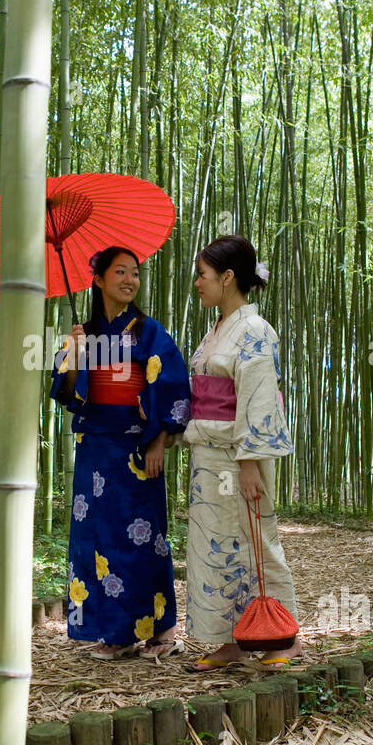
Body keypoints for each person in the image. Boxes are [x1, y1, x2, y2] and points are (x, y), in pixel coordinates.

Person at [51, 246, 191, 660]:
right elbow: (66, 391)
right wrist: (75, 354)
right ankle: (116, 632)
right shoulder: (84, 332)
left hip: (135, 447)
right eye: (120, 272)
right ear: (98, 280)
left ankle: (162, 630)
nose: (130, 280)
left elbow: (169, 385)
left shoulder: (148, 331)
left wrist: (157, 441)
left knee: (144, 539)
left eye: (135, 273)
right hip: (94, 448)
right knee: (96, 540)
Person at [183, 234, 300, 669]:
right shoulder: (215, 330)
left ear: (228, 277)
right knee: (214, 545)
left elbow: (257, 397)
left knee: (256, 540)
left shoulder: (254, 330)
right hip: (208, 456)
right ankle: (231, 639)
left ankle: (284, 638)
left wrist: (250, 463)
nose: (197, 283)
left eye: (203, 274)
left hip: (239, 455)